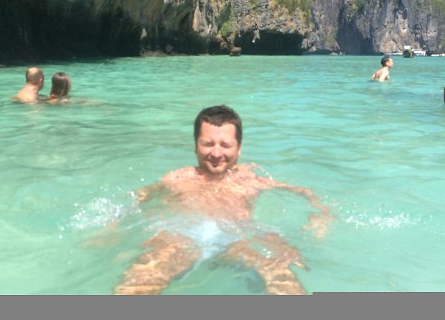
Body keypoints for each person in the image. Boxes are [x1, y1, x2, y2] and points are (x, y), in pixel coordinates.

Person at [115, 105, 334, 296]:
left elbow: (304, 192)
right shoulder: (177, 178)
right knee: (139, 282)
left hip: (237, 239)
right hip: (183, 239)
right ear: (195, 145)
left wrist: (321, 215)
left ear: (239, 148)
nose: (216, 153)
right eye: (208, 144)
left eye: (225, 145)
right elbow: (141, 195)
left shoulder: (251, 179)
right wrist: (115, 227)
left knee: (281, 275)